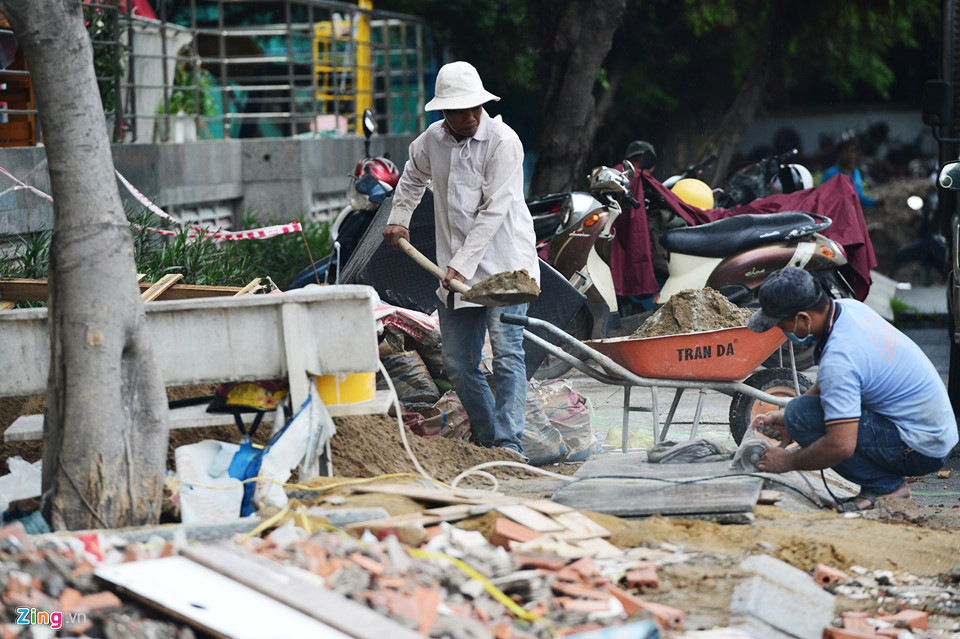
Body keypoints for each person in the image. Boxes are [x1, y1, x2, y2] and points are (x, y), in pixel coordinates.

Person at [382, 61, 539, 457]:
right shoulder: (429, 142)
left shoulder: (504, 142)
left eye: (475, 108)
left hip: (505, 269)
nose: (469, 117)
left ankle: (509, 442)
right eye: (459, 111)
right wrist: (399, 219)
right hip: (453, 271)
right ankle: (490, 440)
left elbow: (493, 212)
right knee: (457, 364)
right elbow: (412, 178)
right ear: (443, 112)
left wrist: (461, 266)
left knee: (506, 355)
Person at [747, 268, 957, 511]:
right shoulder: (848, 309)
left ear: (803, 318)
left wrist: (788, 462)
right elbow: (831, 382)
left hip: (921, 448)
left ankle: (885, 487)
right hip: (935, 432)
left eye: (783, 325)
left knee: (803, 417)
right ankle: (884, 482)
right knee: (797, 413)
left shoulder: (841, 358)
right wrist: (788, 419)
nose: (784, 332)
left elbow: (840, 445)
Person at [821, 138, 881, 209]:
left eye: (852, 151)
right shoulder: (830, 174)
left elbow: (859, 198)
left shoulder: (856, 172)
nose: (850, 155)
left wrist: (875, 203)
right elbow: (823, 201)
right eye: (846, 151)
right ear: (838, 154)